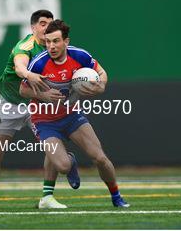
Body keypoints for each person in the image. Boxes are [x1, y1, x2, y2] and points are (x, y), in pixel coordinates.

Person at [0, 10, 74, 210]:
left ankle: (47, 196)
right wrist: (29, 75)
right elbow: (20, 67)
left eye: (51, 23)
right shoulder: (25, 46)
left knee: (52, 147)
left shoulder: (54, 48)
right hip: (9, 102)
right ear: (33, 27)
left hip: (36, 103)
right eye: (43, 23)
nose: (47, 27)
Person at [19, 19, 130, 208]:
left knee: (100, 158)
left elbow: (102, 73)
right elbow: (23, 90)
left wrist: (100, 86)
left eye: (56, 41)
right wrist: (44, 95)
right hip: (44, 121)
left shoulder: (80, 56)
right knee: (63, 166)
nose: (51, 46)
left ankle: (116, 196)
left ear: (66, 42)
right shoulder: (39, 63)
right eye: (47, 42)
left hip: (71, 116)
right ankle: (69, 160)